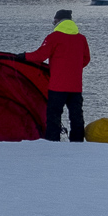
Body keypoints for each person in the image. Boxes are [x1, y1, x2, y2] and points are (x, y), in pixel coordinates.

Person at [23, 10, 91, 143]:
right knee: (76, 117)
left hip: (57, 86)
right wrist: (73, 68)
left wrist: (24, 56)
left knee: (54, 116)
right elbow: (86, 59)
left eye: (54, 20)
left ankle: (53, 143)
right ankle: (77, 143)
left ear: (58, 20)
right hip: (75, 86)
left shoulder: (53, 37)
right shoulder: (81, 38)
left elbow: (40, 56)